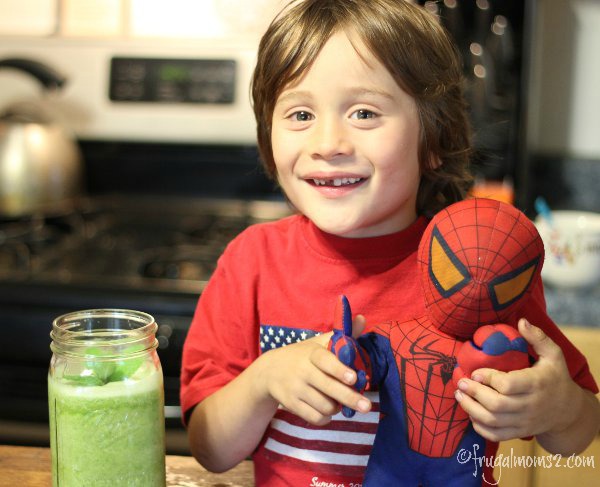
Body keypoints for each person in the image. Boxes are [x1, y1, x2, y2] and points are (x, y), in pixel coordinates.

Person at [180, 1, 600, 486]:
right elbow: (209, 449)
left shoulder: (480, 266)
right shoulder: (251, 261)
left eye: (363, 112)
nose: (328, 142)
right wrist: (263, 380)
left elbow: (579, 429)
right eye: (299, 113)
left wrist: (557, 408)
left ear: (434, 138)